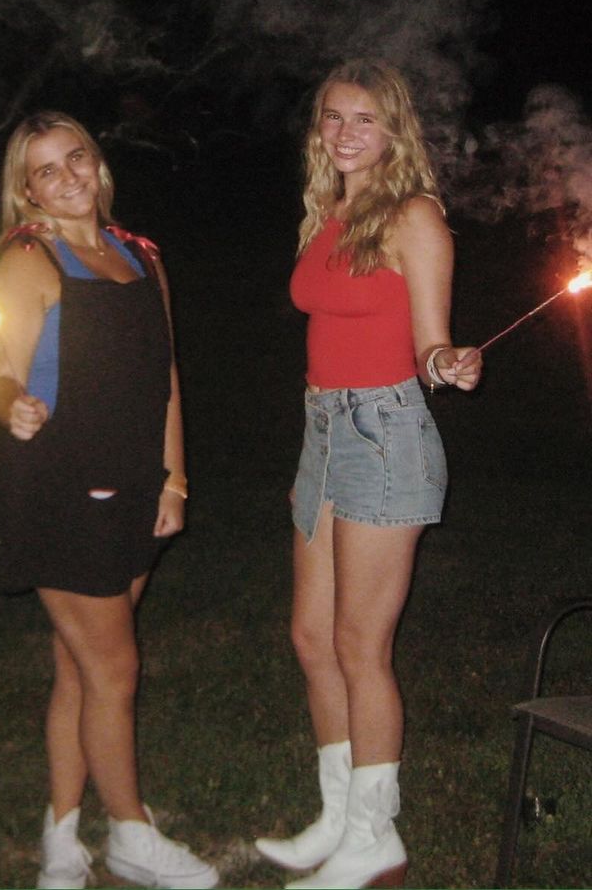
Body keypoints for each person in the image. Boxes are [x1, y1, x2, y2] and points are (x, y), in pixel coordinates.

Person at [254, 61, 481, 889]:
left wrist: (446, 362)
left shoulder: (414, 216)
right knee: (312, 637)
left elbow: (428, 341)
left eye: (365, 118)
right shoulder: (328, 212)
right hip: (324, 431)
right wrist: (311, 451)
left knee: (359, 643)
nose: (345, 132)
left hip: (385, 434)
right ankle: (338, 814)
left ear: (394, 130)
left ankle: (374, 834)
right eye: (333, 116)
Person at [0, 111, 217, 890]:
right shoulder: (27, 259)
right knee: (114, 669)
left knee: (80, 669)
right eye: (46, 169)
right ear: (27, 189)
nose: (68, 177)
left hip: (136, 486)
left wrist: (174, 479)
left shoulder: (141, 255)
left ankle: (60, 836)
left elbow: (168, 374)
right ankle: (131, 833)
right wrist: (11, 404)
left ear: (97, 162)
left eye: (75, 157)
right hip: (61, 488)